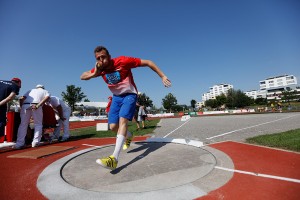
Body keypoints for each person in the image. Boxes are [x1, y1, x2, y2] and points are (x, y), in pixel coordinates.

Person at [80, 46, 171, 170]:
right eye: (98, 58)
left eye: (104, 57)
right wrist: (95, 73)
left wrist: (162, 76)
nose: (101, 60)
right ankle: (128, 135)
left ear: (109, 56)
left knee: (123, 120)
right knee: (113, 127)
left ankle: (114, 159)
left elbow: (149, 62)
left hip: (130, 94)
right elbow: (82, 76)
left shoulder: (123, 61)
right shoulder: (100, 69)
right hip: (116, 98)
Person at [14, 84, 50, 148]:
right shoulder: (45, 91)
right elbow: (47, 98)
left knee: (23, 125)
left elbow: (21, 98)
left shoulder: (30, 90)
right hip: (36, 105)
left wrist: (22, 107)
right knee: (38, 124)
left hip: (25, 105)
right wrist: (38, 105)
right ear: (43, 88)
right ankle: (35, 142)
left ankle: (19, 143)